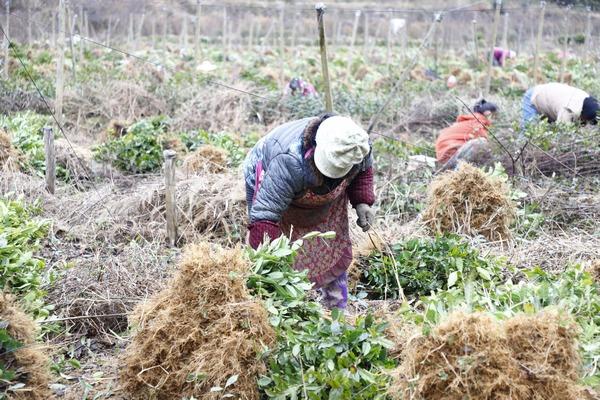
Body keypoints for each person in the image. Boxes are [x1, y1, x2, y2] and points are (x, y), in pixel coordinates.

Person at [244, 114, 375, 309]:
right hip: (269, 171)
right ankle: (275, 305)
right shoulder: (289, 161)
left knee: (330, 245)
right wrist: (266, 264)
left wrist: (363, 201)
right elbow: (265, 216)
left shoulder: (357, 145)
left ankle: (336, 307)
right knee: (277, 247)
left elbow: (364, 169)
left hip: (320, 197)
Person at [435, 99, 498, 170]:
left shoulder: (469, 120)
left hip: (444, 157)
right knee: (482, 142)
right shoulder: (478, 123)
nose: (495, 119)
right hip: (449, 157)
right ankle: (458, 170)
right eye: (495, 116)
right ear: (488, 113)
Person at [521, 82, 599, 129]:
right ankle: (517, 155)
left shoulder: (589, 102)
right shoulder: (567, 110)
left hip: (551, 102)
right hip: (535, 96)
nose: (586, 123)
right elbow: (562, 135)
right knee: (527, 133)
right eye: (586, 120)